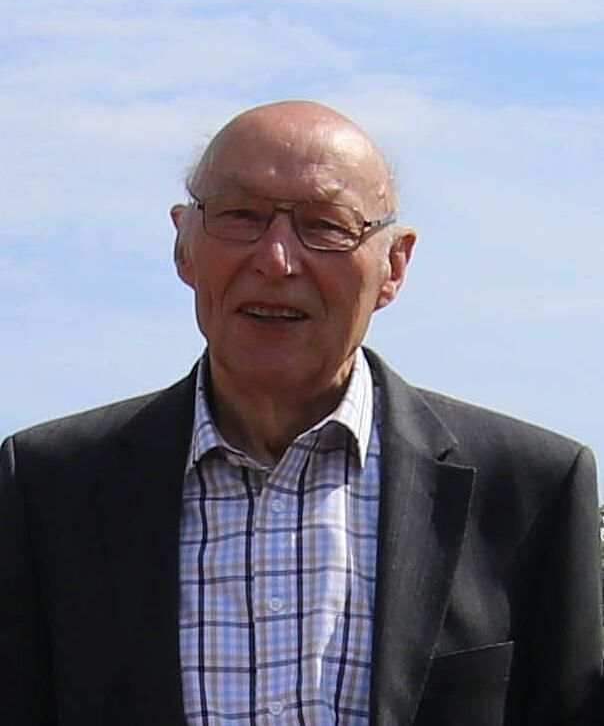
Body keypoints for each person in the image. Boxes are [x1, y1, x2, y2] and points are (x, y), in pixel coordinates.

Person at [0, 100, 601, 726]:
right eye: (240, 216)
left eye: (326, 225)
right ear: (184, 245)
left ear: (394, 265)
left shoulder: (531, 492)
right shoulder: (48, 488)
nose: (277, 259)